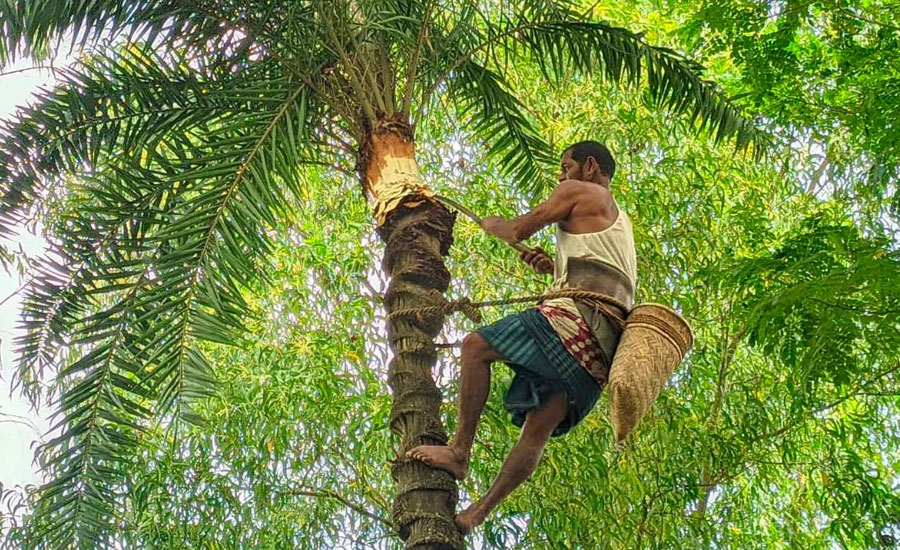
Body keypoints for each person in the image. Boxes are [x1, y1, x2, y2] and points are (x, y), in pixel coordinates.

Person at [407, 141, 638, 534]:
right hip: (600, 354)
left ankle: (459, 451)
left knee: (475, 347)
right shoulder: (619, 221)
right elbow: (603, 278)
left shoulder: (581, 191)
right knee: (537, 431)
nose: (561, 177)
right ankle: (476, 514)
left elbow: (517, 228)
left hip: (572, 325)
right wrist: (554, 268)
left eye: (566, 167)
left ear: (590, 166)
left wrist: (496, 226)